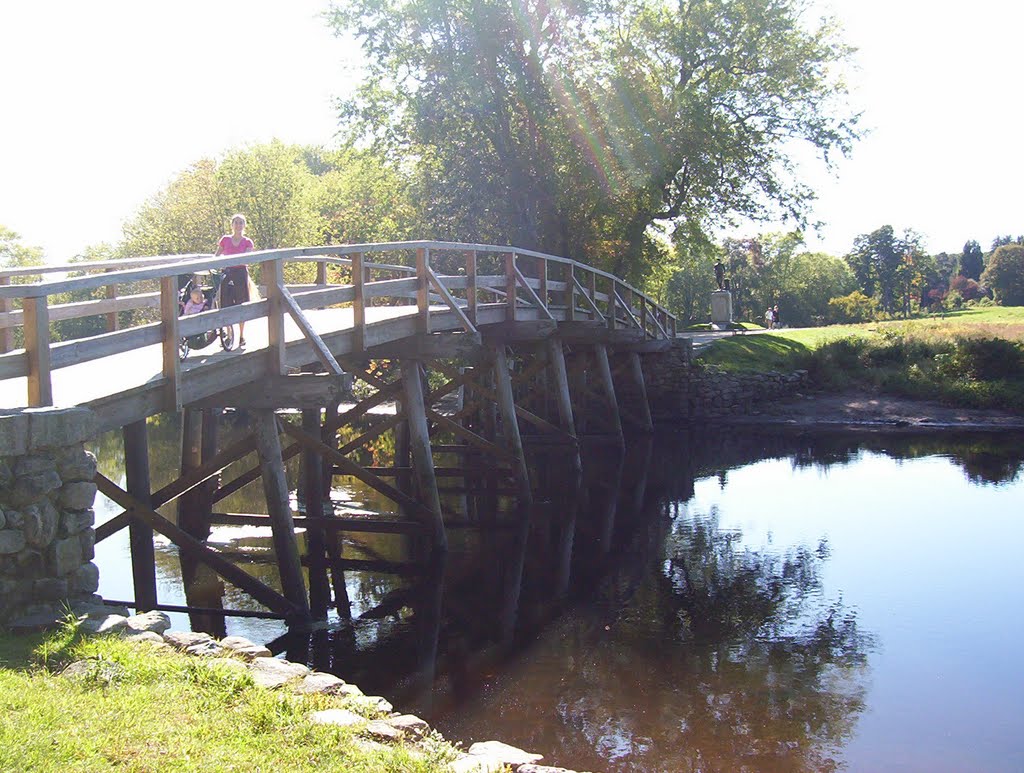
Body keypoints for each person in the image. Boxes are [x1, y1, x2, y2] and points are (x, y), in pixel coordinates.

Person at [215, 214, 255, 347]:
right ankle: (229, 335)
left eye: (241, 223)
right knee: (226, 303)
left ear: (244, 225)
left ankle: (242, 335)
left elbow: (246, 258)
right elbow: (217, 256)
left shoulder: (247, 242)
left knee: (241, 303)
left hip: (240, 273)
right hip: (227, 272)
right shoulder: (225, 240)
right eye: (236, 223)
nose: (238, 225)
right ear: (232, 225)